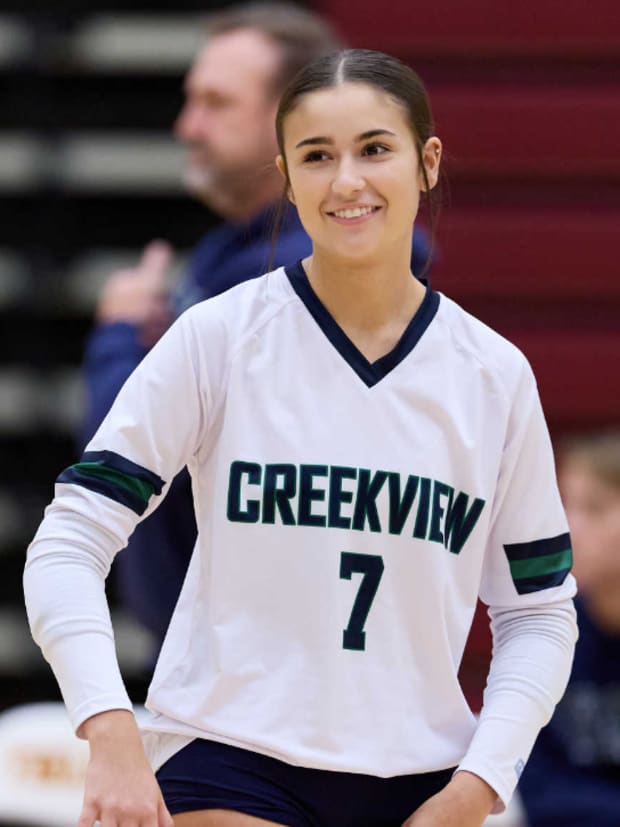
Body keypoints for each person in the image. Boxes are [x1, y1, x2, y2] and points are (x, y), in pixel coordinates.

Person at [24, 49, 577, 827]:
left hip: (423, 778)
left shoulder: (493, 375)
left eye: (375, 148)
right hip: (229, 758)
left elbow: (539, 611)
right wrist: (107, 723)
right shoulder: (218, 337)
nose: (346, 180)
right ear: (286, 175)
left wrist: (477, 785)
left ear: (427, 163)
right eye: (317, 156)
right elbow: (69, 538)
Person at [81, 2, 431, 647]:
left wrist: (119, 338)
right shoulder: (236, 254)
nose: (187, 126)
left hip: (269, 670)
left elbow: (124, 444)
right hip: (221, 655)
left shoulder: (305, 279)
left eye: (216, 103)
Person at [518, 432, 620, 827]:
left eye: (593, 508)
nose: (569, 524)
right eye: (566, 504)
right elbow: (536, 786)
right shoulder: (546, 632)